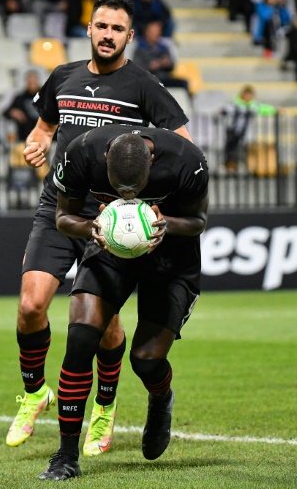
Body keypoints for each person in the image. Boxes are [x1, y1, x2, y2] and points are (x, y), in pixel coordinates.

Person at [7, 0, 191, 457]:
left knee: (101, 324)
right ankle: (34, 393)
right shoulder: (62, 76)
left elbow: (182, 148)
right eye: (102, 26)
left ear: (130, 36)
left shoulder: (144, 85)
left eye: (117, 29)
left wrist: (147, 203)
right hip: (59, 206)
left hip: (112, 217)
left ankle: (104, 407)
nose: (108, 35)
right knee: (30, 306)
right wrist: (35, 144)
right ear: (89, 29)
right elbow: (44, 128)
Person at [37, 125, 209, 480]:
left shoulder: (187, 160)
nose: (128, 195)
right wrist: (91, 228)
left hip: (171, 256)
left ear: (152, 161)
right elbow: (62, 218)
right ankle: (65, 457)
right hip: (108, 247)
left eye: (136, 189)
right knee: (80, 340)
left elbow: (198, 221)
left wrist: (166, 223)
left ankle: (161, 398)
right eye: (120, 189)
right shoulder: (80, 153)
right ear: (105, 160)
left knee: (146, 360)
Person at [222, 85, 276, 172]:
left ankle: (240, 165)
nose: (248, 97)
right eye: (246, 95)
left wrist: (275, 110)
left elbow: (264, 108)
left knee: (242, 149)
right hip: (233, 131)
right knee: (231, 149)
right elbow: (225, 110)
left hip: (245, 132)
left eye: (250, 95)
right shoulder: (235, 104)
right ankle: (228, 165)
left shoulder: (252, 106)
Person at [2, 70, 41, 142]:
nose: (32, 84)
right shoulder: (20, 98)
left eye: (34, 81)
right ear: (26, 82)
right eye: (30, 81)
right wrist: (13, 112)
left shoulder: (46, 97)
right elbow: (5, 113)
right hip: (25, 136)